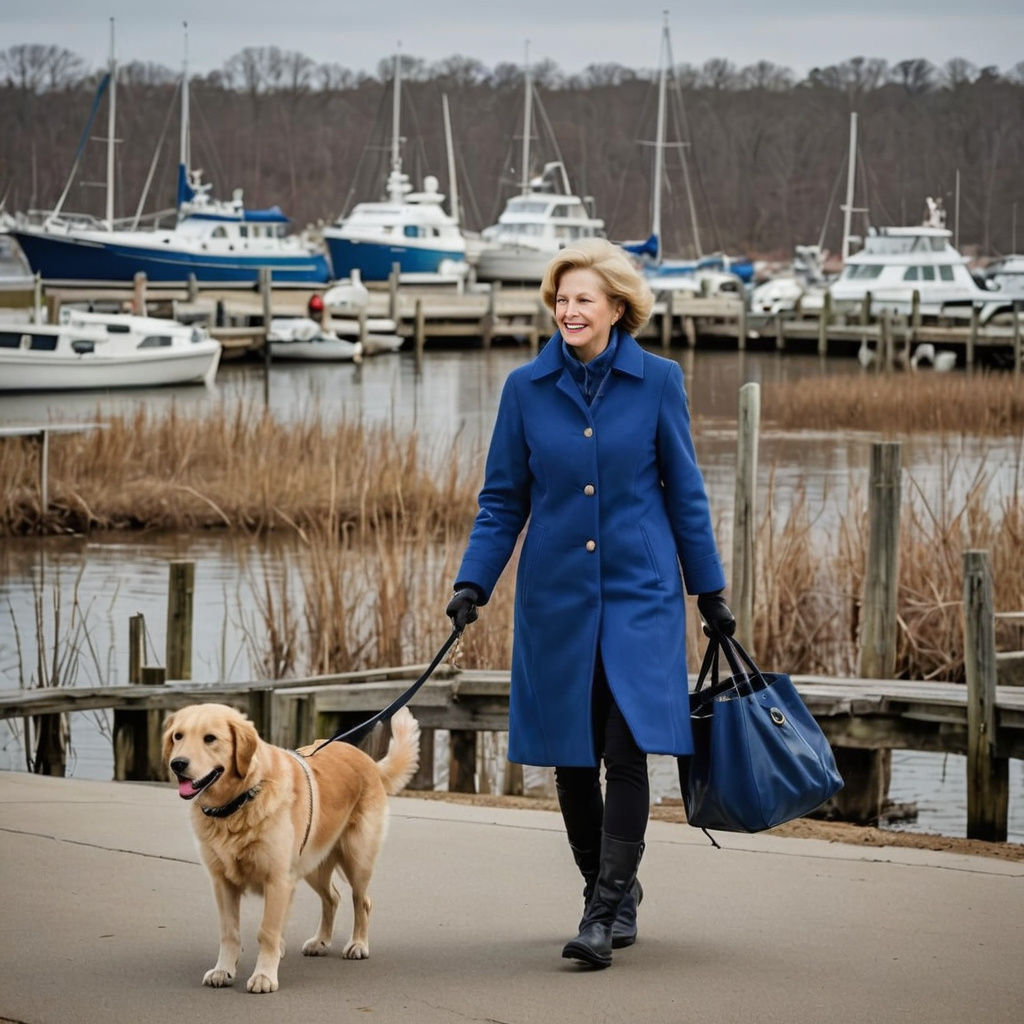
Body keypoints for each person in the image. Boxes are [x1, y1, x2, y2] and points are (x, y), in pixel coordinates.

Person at [445, 238, 735, 969]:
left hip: (640, 594)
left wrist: (711, 592)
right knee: (572, 759)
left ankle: (602, 914)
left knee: (625, 747)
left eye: (583, 299)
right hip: (557, 600)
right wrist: (473, 581)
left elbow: (687, 495)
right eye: (560, 299)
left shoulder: (659, 382)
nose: (569, 310)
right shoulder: (524, 389)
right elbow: (503, 499)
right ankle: (610, 892)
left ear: (616, 307)